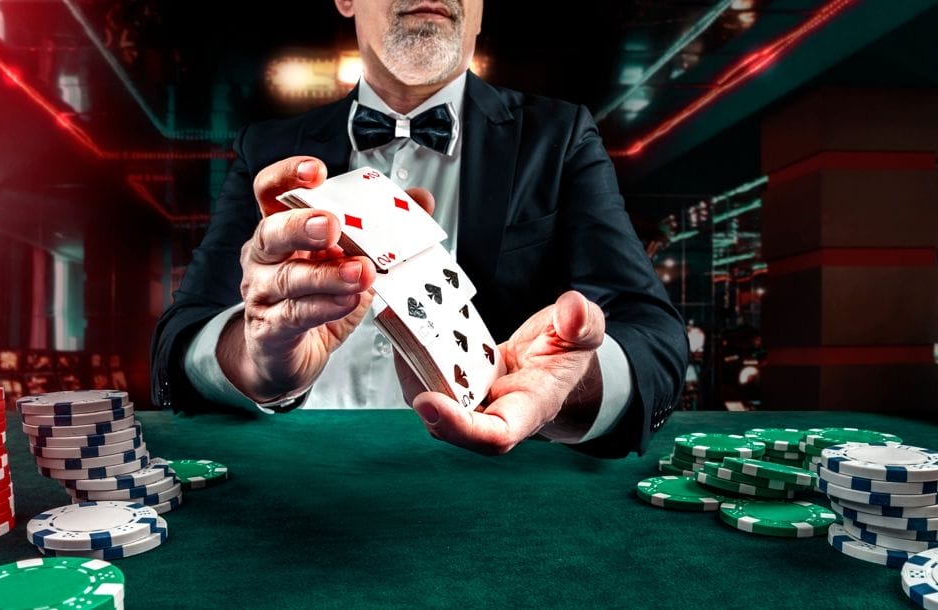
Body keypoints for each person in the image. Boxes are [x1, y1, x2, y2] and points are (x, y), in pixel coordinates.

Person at [151, 0, 688, 457]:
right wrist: (256, 359)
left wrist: (572, 384)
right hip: (298, 486)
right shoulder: (267, 151)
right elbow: (178, 343)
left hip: (489, 498)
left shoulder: (561, 136)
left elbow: (655, 337)